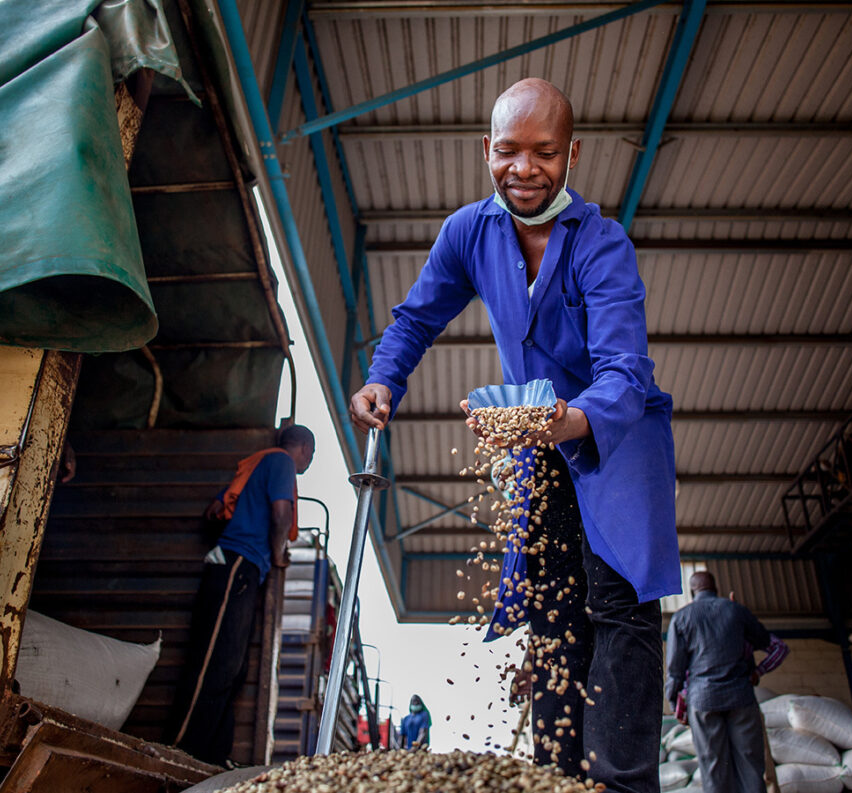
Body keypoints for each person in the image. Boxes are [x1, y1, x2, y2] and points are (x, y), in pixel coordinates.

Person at [350, 78, 680, 793]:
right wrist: (385, 379)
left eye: (544, 153)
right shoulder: (470, 231)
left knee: (617, 603)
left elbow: (626, 368)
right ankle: (557, 778)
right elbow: (415, 317)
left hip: (615, 434)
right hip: (539, 439)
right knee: (555, 607)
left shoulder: (601, 243)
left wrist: (573, 420)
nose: (523, 169)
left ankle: (620, 784)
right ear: (486, 150)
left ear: (572, 155)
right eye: (507, 151)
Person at [166, 424, 315, 765]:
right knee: (213, 664)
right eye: (312, 455)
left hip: (245, 569)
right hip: (236, 564)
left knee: (232, 668)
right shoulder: (280, 462)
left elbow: (216, 508)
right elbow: (281, 512)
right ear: (304, 447)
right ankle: (176, 750)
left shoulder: (259, 465)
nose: (309, 461)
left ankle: (213, 756)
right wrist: (278, 554)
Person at [665, 571, 772, 793]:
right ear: (716, 588)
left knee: (712, 765)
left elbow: (675, 669)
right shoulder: (736, 610)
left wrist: (674, 702)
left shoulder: (682, 617)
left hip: (703, 700)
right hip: (740, 696)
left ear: (693, 590)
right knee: (750, 764)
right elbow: (763, 639)